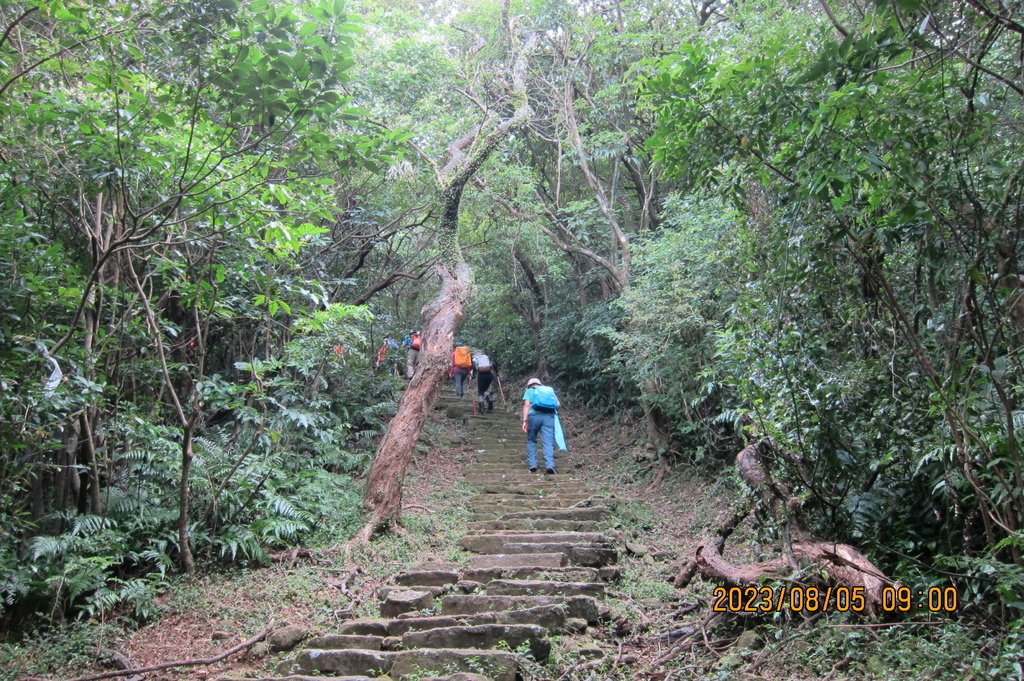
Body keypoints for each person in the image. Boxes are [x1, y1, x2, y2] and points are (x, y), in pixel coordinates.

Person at [522, 377, 560, 474]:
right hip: (548, 417)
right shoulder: (548, 390)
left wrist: (525, 420)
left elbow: (526, 405)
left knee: (531, 440)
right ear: (540, 384)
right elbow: (557, 404)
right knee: (548, 442)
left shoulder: (529, 391)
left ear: (529, 385)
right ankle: (550, 465)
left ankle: (533, 464)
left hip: (534, 417)